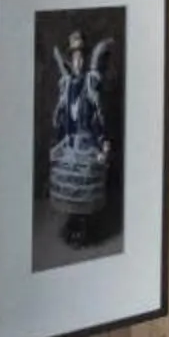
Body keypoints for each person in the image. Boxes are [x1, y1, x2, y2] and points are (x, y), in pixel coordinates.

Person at [47, 28, 116, 246]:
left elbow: (97, 118)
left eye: (82, 58)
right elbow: (63, 122)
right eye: (75, 58)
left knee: (87, 179)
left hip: (87, 145)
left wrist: (103, 143)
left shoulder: (89, 86)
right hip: (70, 145)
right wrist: (58, 143)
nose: (78, 62)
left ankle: (83, 226)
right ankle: (73, 223)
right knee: (68, 180)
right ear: (70, 61)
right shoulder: (67, 87)